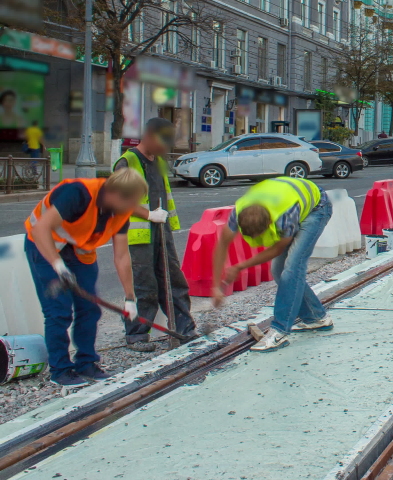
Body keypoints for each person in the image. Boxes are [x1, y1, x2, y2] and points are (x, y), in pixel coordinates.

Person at [24, 169, 148, 386]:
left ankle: (86, 363)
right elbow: (41, 228)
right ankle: (60, 370)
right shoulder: (78, 193)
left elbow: (121, 257)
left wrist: (130, 297)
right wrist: (58, 266)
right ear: (114, 193)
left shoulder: (121, 210)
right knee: (58, 311)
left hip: (79, 250)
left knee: (89, 308)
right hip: (44, 246)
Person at [211, 177, 333, 352]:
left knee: (292, 268)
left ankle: (280, 330)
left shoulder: (285, 215)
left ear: (270, 224)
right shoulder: (238, 212)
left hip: (317, 208)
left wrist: (239, 266)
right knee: (278, 270)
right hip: (285, 194)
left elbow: (277, 249)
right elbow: (222, 244)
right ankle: (317, 318)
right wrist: (216, 287)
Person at [113, 118, 197, 352]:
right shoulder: (127, 162)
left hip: (161, 232)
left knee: (173, 279)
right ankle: (137, 334)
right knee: (144, 285)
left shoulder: (158, 161)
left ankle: (184, 328)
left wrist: (162, 221)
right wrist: (148, 215)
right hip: (138, 236)